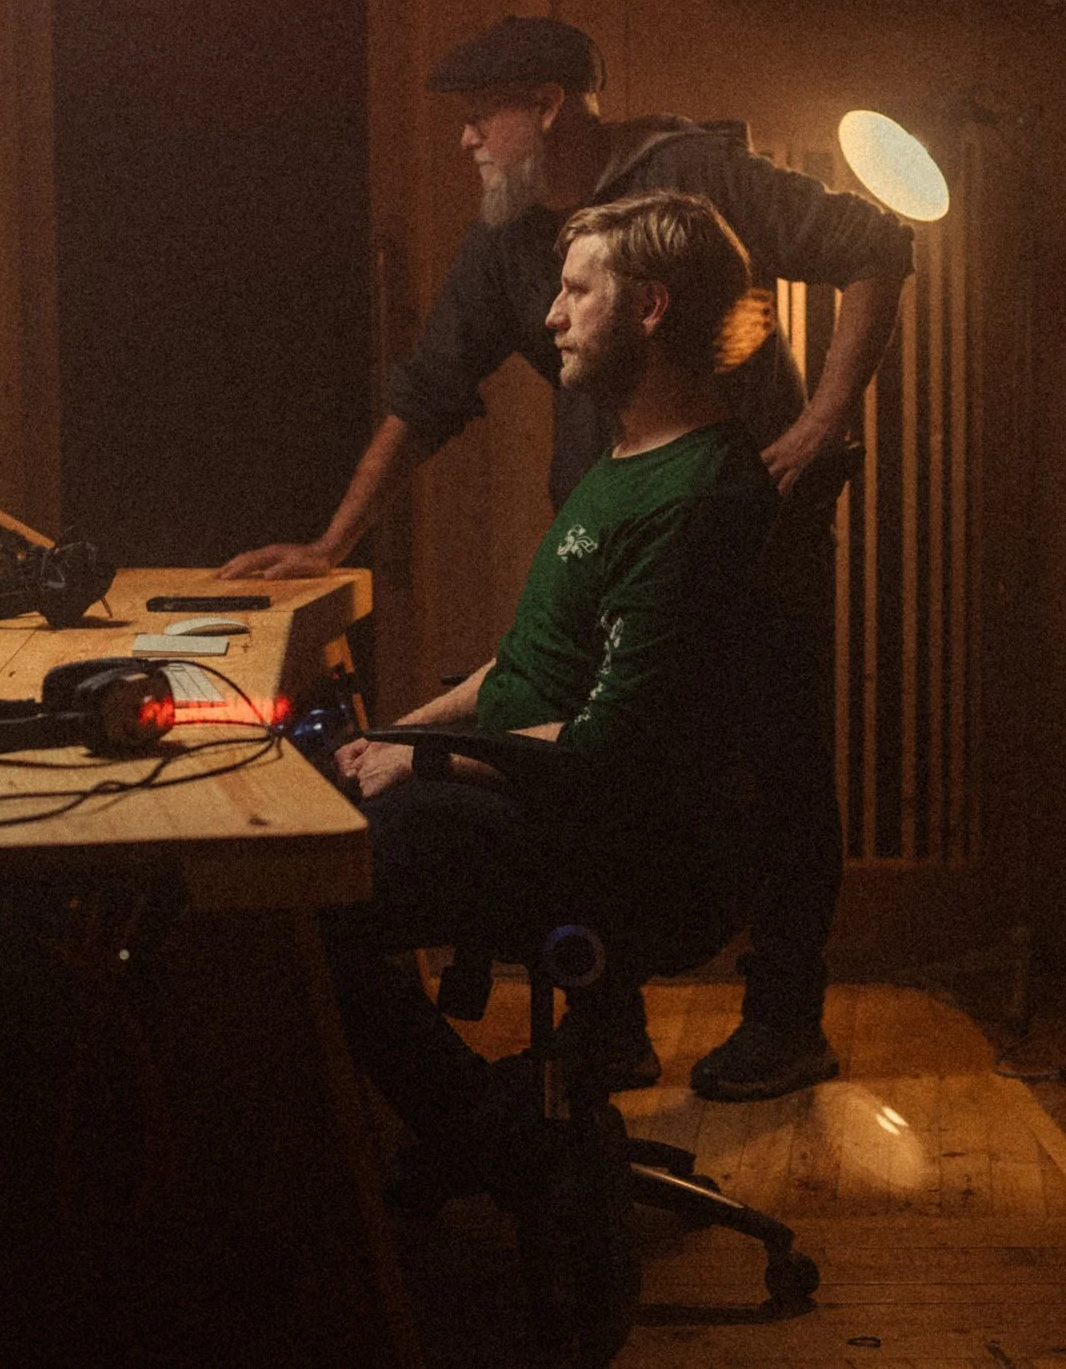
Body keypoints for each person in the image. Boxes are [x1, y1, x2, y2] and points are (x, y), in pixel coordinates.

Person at [227, 16, 914, 1101]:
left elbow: (874, 242)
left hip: (744, 532)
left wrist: (823, 420)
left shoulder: (686, 180)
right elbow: (426, 393)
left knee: (766, 763)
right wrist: (329, 544)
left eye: (478, 118)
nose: (465, 143)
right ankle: (606, 1024)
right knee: (584, 727)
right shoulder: (510, 242)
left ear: (547, 105)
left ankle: (785, 1018)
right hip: (608, 524)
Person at [320, 188, 777, 1228]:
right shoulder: (626, 462)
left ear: (650, 306)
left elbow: (614, 748)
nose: (551, 318)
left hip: (613, 835)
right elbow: (527, 663)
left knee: (299, 897)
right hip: (533, 787)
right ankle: (478, 1122)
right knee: (303, 831)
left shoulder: (698, 495)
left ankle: (488, 1134)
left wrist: (429, 767)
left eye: (578, 292)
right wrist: (400, 732)